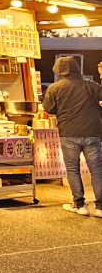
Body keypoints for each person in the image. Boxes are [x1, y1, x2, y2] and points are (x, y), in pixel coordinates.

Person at [42, 55, 102, 217]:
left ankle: (79, 205)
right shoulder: (91, 85)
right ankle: (100, 208)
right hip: (93, 132)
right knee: (97, 170)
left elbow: (49, 109)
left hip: (68, 133)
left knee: (73, 169)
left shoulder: (54, 88)